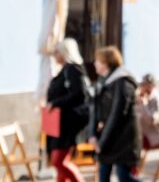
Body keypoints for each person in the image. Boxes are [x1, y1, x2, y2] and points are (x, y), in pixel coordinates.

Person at [90, 46, 142, 182]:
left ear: (106, 63)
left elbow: (116, 115)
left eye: (97, 60)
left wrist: (101, 142)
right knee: (104, 174)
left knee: (123, 177)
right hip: (109, 139)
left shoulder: (123, 82)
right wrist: (92, 135)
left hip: (124, 140)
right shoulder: (102, 81)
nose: (94, 63)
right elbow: (94, 109)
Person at [46, 38, 90, 182]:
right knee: (61, 160)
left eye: (57, 52)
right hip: (60, 121)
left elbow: (79, 94)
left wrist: (55, 103)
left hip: (68, 122)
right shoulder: (64, 70)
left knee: (58, 161)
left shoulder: (73, 69)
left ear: (65, 52)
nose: (54, 55)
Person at [137, 74, 159, 148]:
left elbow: (151, 120)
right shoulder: (147, 98)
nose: (141, 87)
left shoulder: (158, 99)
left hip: (158, 136)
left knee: (131, 143)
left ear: (151, 86)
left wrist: (142, 104)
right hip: (149, 134)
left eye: (144, 85)